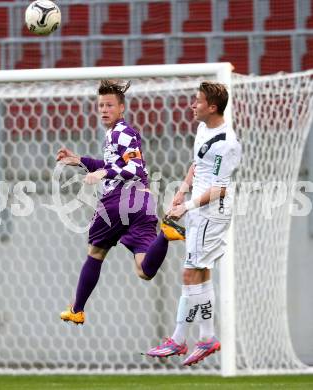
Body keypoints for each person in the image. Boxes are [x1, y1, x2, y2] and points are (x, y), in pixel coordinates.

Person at [57, 80, 185, 325]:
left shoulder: (121, 132)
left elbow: (133, 167)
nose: (104, 109)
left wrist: (102, 174)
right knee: (144, 270)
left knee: (95, 252)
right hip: (143, 201)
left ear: (122, 108)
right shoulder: (117, 134)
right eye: (101, 105)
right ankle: (166, 235)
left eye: (110, 105)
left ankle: (77, 309)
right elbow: (117, 165)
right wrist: (80, 160)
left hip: (119, 199)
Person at [146, 81, 241, 366]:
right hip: (199, 209)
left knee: (190, 274)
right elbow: (197, 164)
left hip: (212, 212)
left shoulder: (227, 143)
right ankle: (206, 337)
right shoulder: (203, 129)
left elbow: (221, 188)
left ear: (212, 107)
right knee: (201, 273)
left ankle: (179, 339)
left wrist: (186, 206)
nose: (192, 105)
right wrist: (182, 189)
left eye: (197, 101)